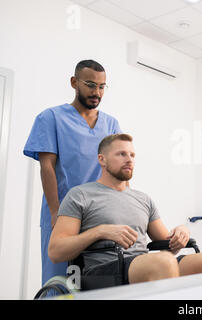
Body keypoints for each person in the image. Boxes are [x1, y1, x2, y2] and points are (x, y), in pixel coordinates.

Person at [48, 134, 202, 285]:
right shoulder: (80, 195)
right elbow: (55, 251)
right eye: (121, 154)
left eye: (132, 155)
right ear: (102, 159)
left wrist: (181, 232)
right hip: (103, 270)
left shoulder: (143, 199)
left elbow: (167, 245)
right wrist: (100, 231)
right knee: (164, 263)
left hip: (143, 264)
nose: (129, 159)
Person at [23, 60, 122, 285]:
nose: (96, 92)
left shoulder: (111, 124)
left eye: (102, 86)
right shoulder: (51, 118)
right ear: (74, 82)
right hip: (64, 213)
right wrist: (55, 211)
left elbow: (118, 169)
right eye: (90, 84)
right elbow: (47, 167)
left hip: (100, 215)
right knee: (61, 282)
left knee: (100, 281)